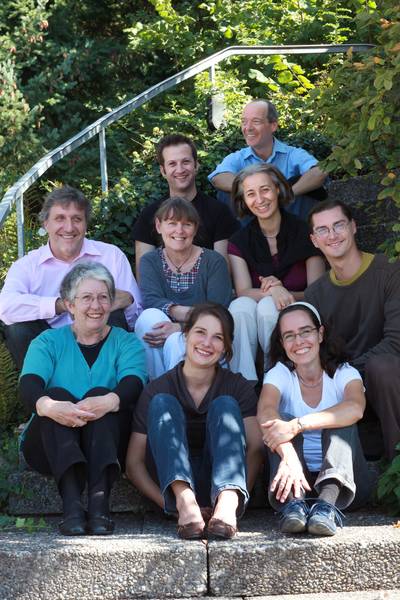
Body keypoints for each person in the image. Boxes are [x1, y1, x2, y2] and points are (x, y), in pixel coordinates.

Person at [18, 262, 147, 536]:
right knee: (55, 397)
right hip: (47, 446)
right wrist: (50, 407)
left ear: (111, 303)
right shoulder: (47, 342)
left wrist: (108, 402)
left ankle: (99, 507)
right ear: (69, 304)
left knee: (101, 396)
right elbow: (29, 385)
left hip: (110, 445)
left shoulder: (127, 342)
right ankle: (72, 507)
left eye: (103, 297)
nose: (96, 305)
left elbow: (134, 383)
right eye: (86, 297)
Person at [126, 303, 264, 539]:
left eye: (217, 337)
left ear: (226, 347)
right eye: (200, 332)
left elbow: (256, 448)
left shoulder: (237, 386)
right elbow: (134, 464)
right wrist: (171, 504)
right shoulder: (156, 389)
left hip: (223, 482)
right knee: (162, 403)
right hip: (172, 488)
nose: (207, 343)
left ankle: (226, 502)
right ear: (185, 334)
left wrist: (234, 500)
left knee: (225, 404)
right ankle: (186, 502)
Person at [258, 302, 373, 536]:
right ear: (282, 343)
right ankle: (295, 506)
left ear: (320, 334)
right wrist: (289, 456)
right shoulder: (279, 374)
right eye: (289, 336)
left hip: (346, 487)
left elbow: (355, 408)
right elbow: (266, 413)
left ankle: (326, 506)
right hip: (292, 483)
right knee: (280, 419)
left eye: (305, 331)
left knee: (340, 417)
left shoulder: (344, 372)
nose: (299, 341)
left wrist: (297, 425)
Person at [0, 185, 142, 369]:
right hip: (51, 352)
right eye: (60, 218)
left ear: (85, 224)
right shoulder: (27, 266)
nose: (69, 228)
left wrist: (129, 301)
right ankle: (43, 386)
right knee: (18, 328)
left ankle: (106, 384)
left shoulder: (111, 256)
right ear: (46, 223)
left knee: (114, 313)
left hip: (101, 352)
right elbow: (5, 307)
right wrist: (61, 305)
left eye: (77, 219)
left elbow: (137, 318)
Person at [305, 199, 400, 461]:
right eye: (323, 230)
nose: (332, 235)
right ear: (314, 240)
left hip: (388, 382)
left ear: (354, 227)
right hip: (348, 392)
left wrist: (348, 373)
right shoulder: (314, 294)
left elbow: (396, 342)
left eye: (339, 225)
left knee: (383, 367)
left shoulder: (390, 271)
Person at [228, 164, 325, 383]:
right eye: (251, 194)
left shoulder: (305, 232)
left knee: (268, 307)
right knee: (240, 307)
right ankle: (242, 383)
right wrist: (274, 290)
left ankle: (279, 379)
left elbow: (317, 292)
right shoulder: (239, 241)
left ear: (278, 189)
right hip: (257, 308)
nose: (259, 199)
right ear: (244, 200)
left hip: (303, 308)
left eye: (265, 189)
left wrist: (283, 292)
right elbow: (243, 291)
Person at [134, 197, 232, 379]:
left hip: (207, 339)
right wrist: (179, 311)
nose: (179, 231)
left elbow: (218, 311)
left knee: (175, 341)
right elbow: (151, 299)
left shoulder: (214, 261)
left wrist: (182, 327)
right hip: (164, 330)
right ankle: (157, 386)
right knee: (148, 318)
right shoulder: (150, 261)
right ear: (159, 226)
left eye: (187, 224)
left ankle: (181, 391)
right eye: (172, 223)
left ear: (195, 228)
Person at [132, 133, 239, 277]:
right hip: (161, 291)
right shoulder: (149, 215)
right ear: (163, 171)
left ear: (196, 165)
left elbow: (223, 272)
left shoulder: (219, 212)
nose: (180, 169)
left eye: (186, 162)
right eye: (172, 164)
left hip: (209, 289)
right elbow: (144, 276)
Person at [208, 100, 327, 219]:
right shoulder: (238, 157)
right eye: (244, 122)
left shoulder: (293, 154)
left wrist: (286, 194)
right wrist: (253, 192)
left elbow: (319, 172)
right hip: (250, 224)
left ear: (273, 125)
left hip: (290, 222)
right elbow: (218, 178)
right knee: (226, 193)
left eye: (256, 121)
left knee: (306, 188)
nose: (248, 128)